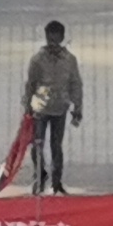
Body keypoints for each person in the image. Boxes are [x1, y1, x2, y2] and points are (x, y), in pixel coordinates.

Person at [19, 20, 84, 193]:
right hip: (40, 107)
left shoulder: (70, 60)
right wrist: (28, 107)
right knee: (37, 144)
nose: (53, 43)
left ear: (62, 38)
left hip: (60, 107)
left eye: (56, 39)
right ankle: (40, 176)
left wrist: (77, 107)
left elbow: (75, 83)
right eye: (50, 39)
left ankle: (57, 181)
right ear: (46, 38)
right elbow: (31, 84)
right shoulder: (38, 60)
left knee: (57, 145)